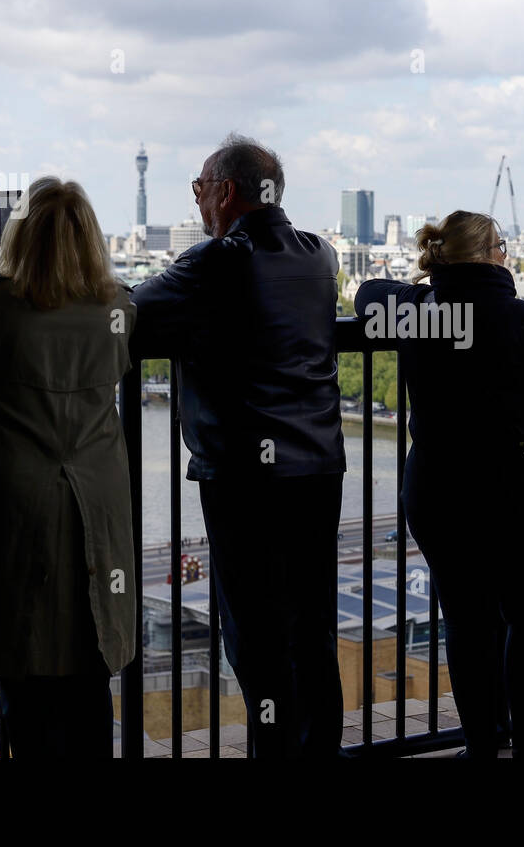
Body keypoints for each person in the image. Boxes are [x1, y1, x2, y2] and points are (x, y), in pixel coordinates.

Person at [129, 133, 347, 759]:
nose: (195, 198)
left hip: (245, 474)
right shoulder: (320, 255)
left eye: (199, 187)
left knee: (253, 630)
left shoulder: (214, 261)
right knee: (312, 624)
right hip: (318, 464)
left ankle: (274, 754)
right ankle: (318, 752)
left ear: (225, 192)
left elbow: (130, 316)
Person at [0, 177, 137, 757]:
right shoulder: (115, 306)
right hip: (97, 494)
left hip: (15, 495)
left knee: (23, 650)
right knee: (91, 649)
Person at [355, 210, 524, 759]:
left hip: (437, 486)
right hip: (513, 490)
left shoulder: (416, 312)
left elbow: (366, 295)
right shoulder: (521, 317)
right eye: (502, 246)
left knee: (466, 619)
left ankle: (480, 746)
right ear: (490, 255)